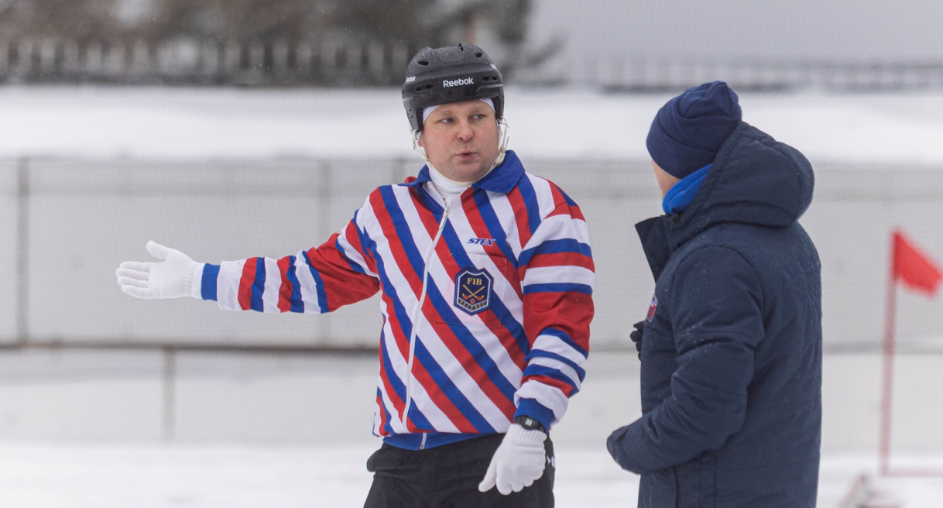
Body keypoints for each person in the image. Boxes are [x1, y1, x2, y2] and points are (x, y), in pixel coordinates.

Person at [115, 42, 594, 508]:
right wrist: (198, 278)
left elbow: (560, 331)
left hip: (495, 454)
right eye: (446, 120)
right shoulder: (388, 212)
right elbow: (308, 279)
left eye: (478, 116)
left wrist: (531, 427)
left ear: (498, 123)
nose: (465, 132)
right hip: (402, 459)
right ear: (419, 136)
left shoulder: (543, 208)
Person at [606, 81, 821, 507]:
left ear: (676, 163)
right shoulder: (781, 234)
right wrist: (666, 340)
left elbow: (704, 413)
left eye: (656, 155)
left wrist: (628, 446)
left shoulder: (716, 257)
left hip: (715, 492)